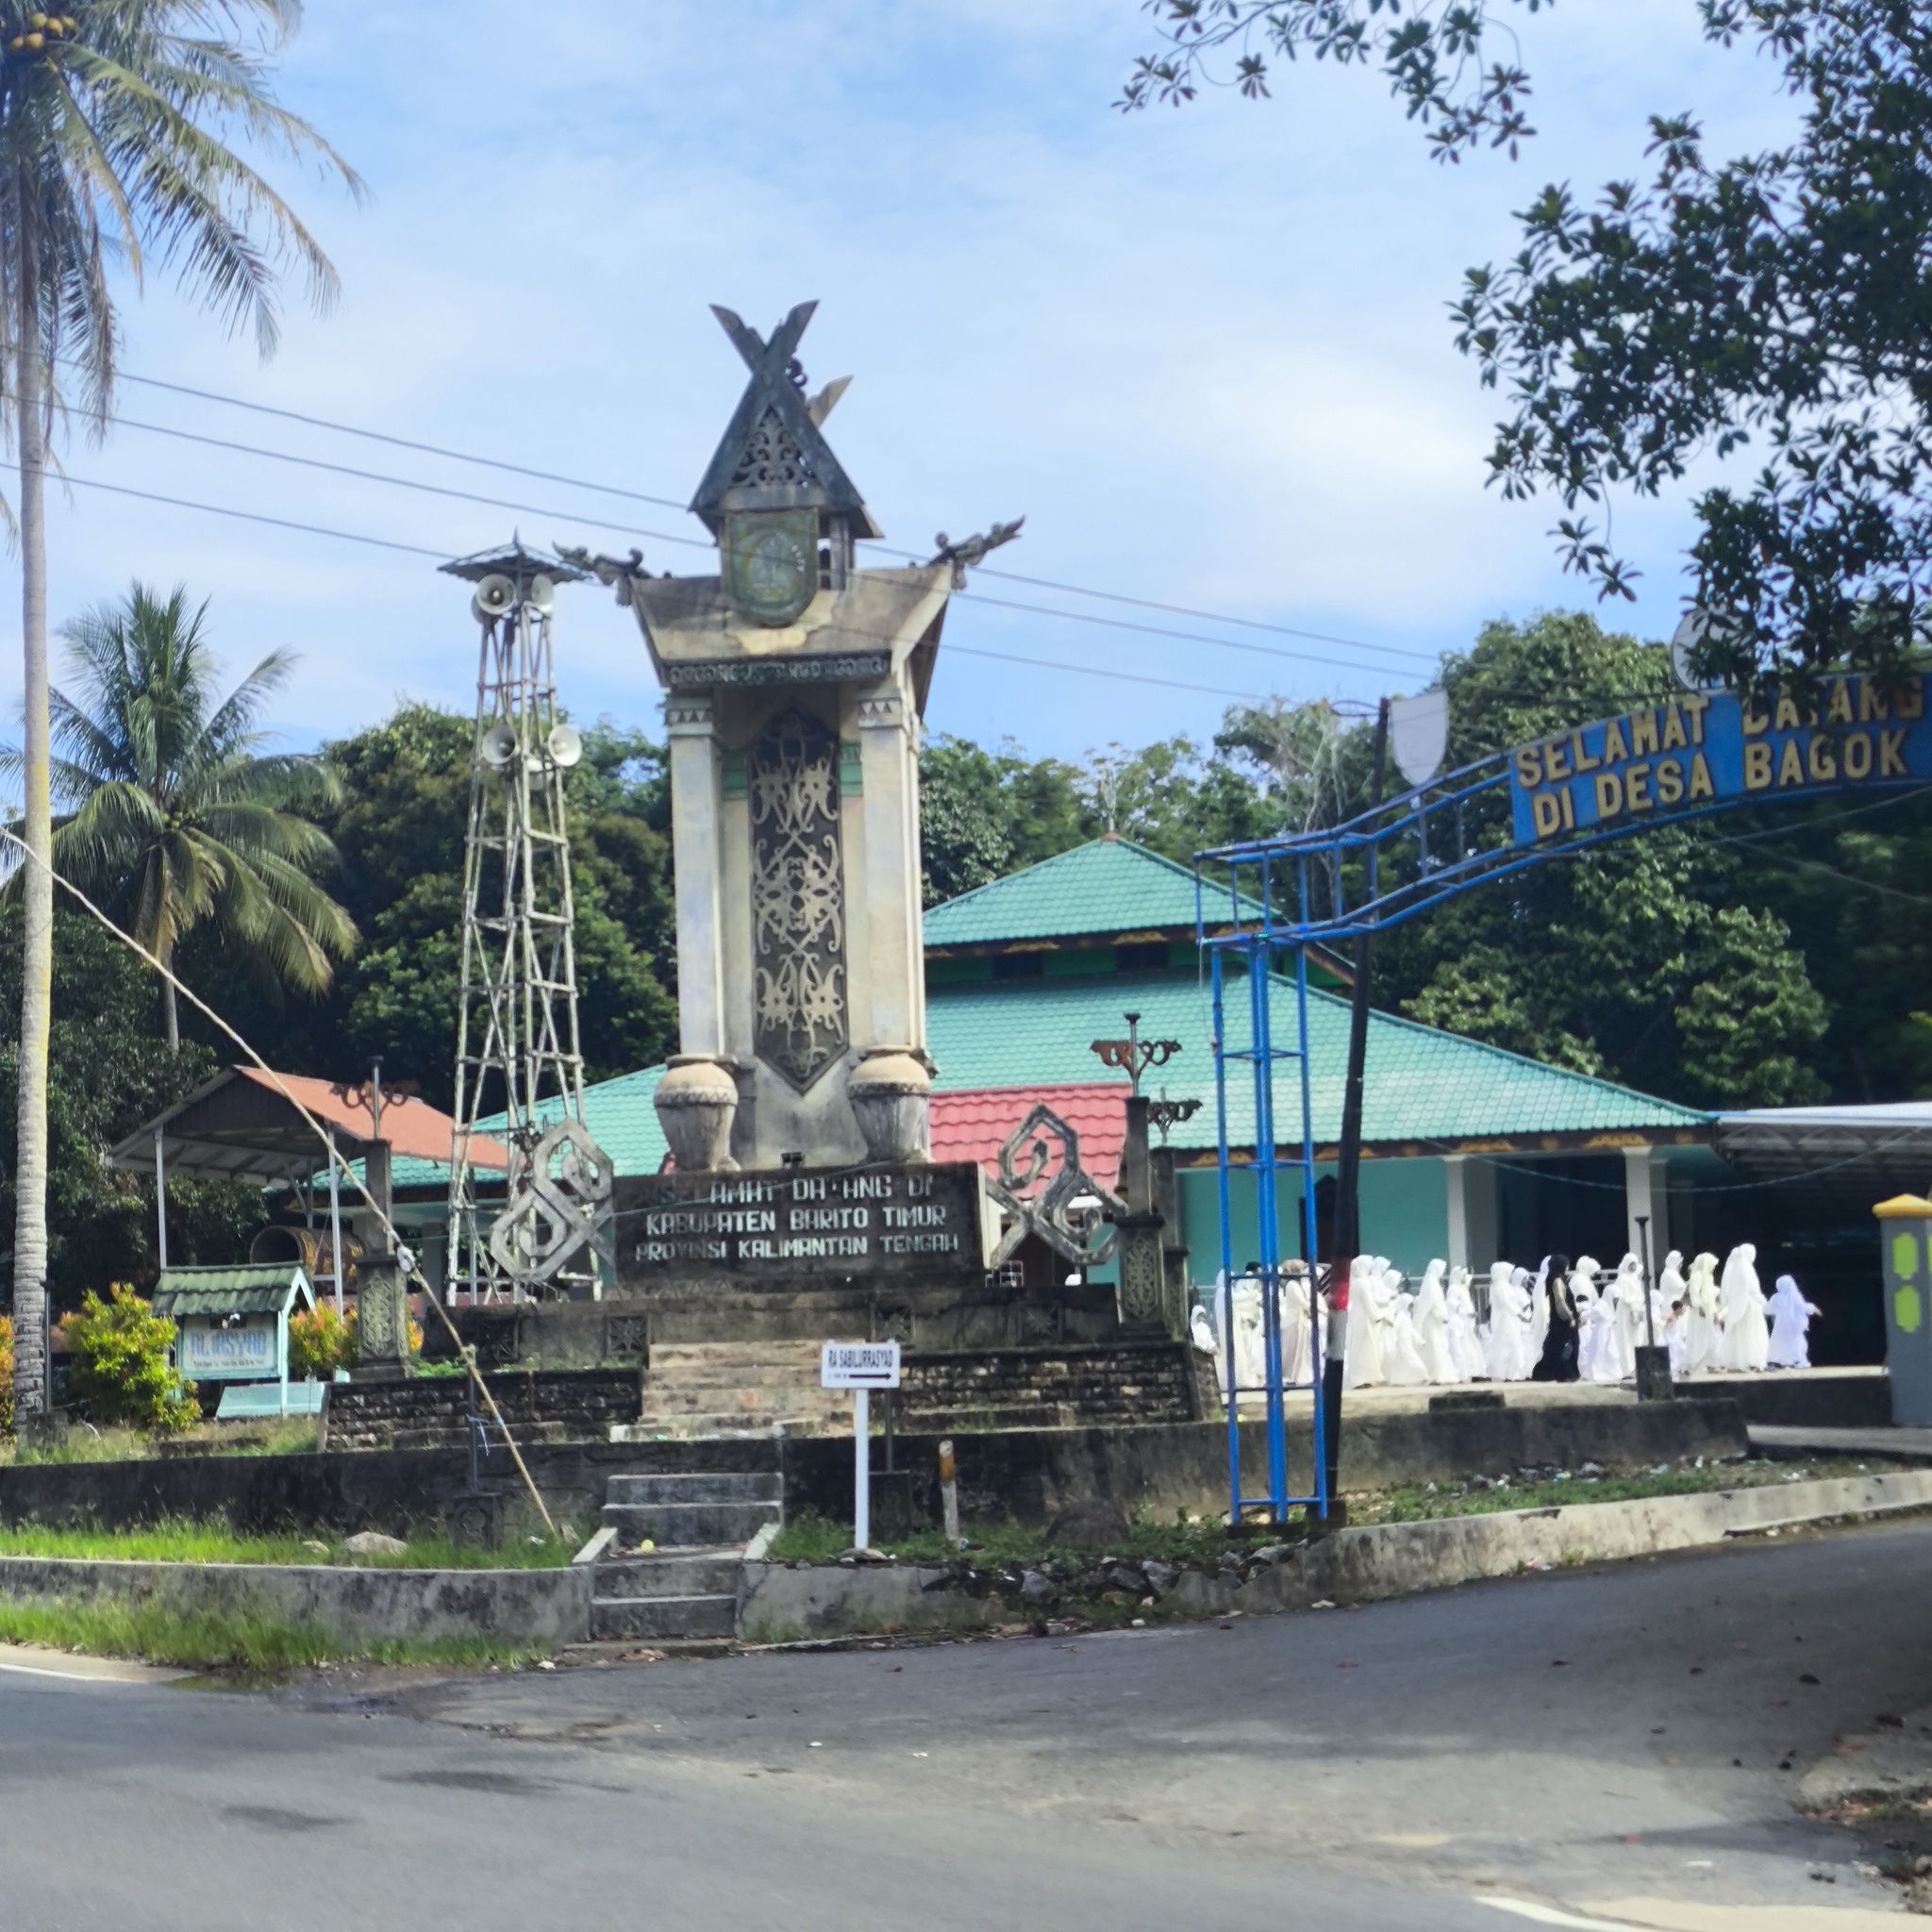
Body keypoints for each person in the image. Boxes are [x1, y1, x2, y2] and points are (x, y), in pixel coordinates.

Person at [1716, 1243, 1770, 1373]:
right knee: (1751, 1333)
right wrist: (1763, 1301)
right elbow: (1750, 1290)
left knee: (1744, 1335)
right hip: (1749, 1307)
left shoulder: (1739, 1268)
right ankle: (1751, 1360)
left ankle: (1744, 1360)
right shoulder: (1745, 1269)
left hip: (1745, 1306)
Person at [1530, 1253, 1579, 1381]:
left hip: (1560, 1321)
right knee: (1563, 1346)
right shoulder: (1558, 1280)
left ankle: (1558, 1372)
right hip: (1562, 1321)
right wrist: (1570, 1317)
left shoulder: (1556, 1279)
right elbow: (1560, 1302)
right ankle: (1563, 1373)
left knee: (1557, 1347)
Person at [1414, 1258, 1460, 1384]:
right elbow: (1434, 1304)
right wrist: (1443, 1316)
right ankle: (1435, 1374)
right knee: (1434, 1346)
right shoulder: (1431, 1284)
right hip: (1432, 1321)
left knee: (1437, 1345)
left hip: (1435, 1321)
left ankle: (1436, 1373)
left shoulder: (1432, 1282)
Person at [1767, 1272, 1822, 1370]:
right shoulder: (1795, 1296)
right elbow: (1802, 1307)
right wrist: (1813, 1308)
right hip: (1792, 1325)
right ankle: (1793, 1361)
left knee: (1780, 1342)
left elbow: (1768, 1309)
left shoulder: (1776, 1297)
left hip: (1780, 1325)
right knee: (1794, 1342)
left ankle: (1784, 1362)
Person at [1681, 1253, 1723, 1374]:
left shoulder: (1708, 1277)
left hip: (1708, 1312)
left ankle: (1712, 1364)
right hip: (1699, 1313)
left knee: (1711, 1337)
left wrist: (1714, 1311)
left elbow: (1710, 1297)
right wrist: (1700, 1308)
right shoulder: (1697, 1277)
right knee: (1698, 1338)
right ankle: (1693, 1365)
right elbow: (1694, 1295)